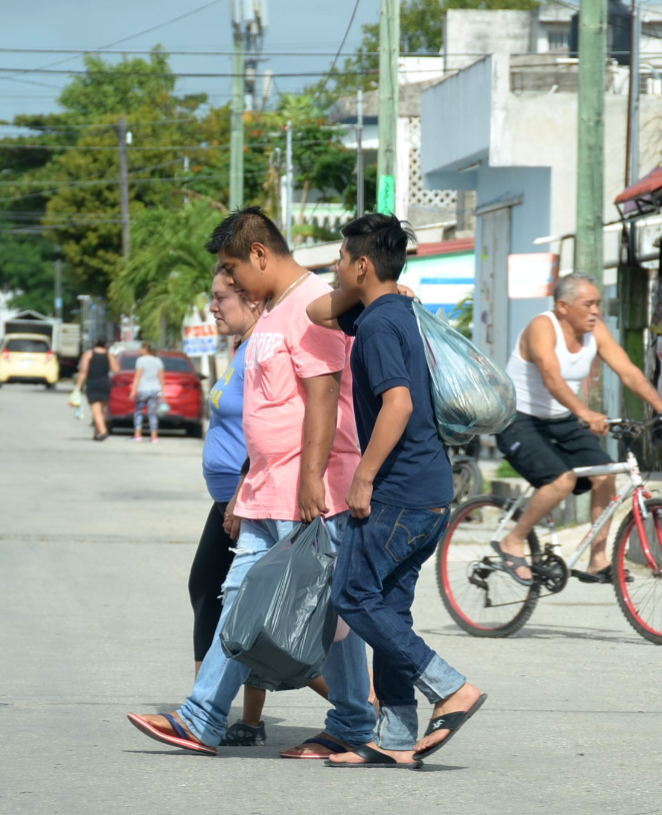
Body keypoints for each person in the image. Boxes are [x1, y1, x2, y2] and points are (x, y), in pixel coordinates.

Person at [127, 207, 373, 759]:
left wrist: (311, 480)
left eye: (233, 267)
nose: (231, 280)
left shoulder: (311, 307)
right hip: (268, 487)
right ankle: (205, 718)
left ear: (260, 254)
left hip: (305, 490)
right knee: (247, 601)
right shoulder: (275, 311)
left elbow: (324, 394)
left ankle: (354, 720)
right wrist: (244, 488)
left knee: (325, 611)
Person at [307, 213, 486, 769]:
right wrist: (366, 284)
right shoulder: (393, 310)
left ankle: (449, 686)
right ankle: (397, 737)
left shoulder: (380, 324)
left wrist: (363, 477)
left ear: (362, 265)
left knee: (353, 596)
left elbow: (399, 404)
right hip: (428, 488)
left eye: (342, 259)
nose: (334, 268)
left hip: (399, 490)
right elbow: (316, 311)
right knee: (388, 609)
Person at [187, 265, 329, 747]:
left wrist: (245, 489)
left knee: (263, 611)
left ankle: (363, 708)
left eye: (220, 297)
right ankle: (227, 715)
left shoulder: (267, 344)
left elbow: (276, 421)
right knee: (236, 601)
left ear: (250, 299)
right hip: (239, 495)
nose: (212, 306)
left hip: (253, 495)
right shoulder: (248, 346)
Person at [493, 273, 662, 585]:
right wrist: (585, 412)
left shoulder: (595, 332)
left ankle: (598, 560)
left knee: (605, 475)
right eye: (589, 304)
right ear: (563, 306)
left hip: (560, 418)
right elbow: (551, 377)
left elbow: (628, 372)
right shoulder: (542, 328)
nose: (596, 310)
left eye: (598, 303)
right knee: (562, 480)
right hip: (517, 419)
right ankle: (512, 541)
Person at [74, 338, 119, 441]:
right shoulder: (109, 355)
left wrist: (78, 385)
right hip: (105, 383)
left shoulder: (89, 354)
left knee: (96, 411)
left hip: (93, 383)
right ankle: (96, 434)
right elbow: (116, 370)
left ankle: (103, 431)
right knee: (101, 410)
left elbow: (83, 371)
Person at [129, 341, 165, 443]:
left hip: (143, 389)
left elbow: (137, 377)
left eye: (140, 348)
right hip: (155, 390)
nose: (139, 351)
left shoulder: (140, 360)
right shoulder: (158, 361)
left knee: (138, 412)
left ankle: (138, 435)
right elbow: (161, 379)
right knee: (153, 414)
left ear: (145, 349)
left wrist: (133, 391)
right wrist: (161, 394)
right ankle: (154, 437)